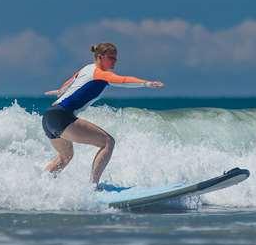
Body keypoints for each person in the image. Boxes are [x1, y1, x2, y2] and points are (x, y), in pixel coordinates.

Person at [42, 42, 164, 186]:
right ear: (100, 57)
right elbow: (123, 80)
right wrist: (146, 83)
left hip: (49, 117)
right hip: (62, 116)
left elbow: (72, 80)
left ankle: (40, 185)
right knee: (108, 142)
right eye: (111, 58)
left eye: (115, 58)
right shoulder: (100, 74)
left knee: (65, 157)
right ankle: (93, 187)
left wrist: (60, 90)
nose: (114, 61)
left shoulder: (87, 68)